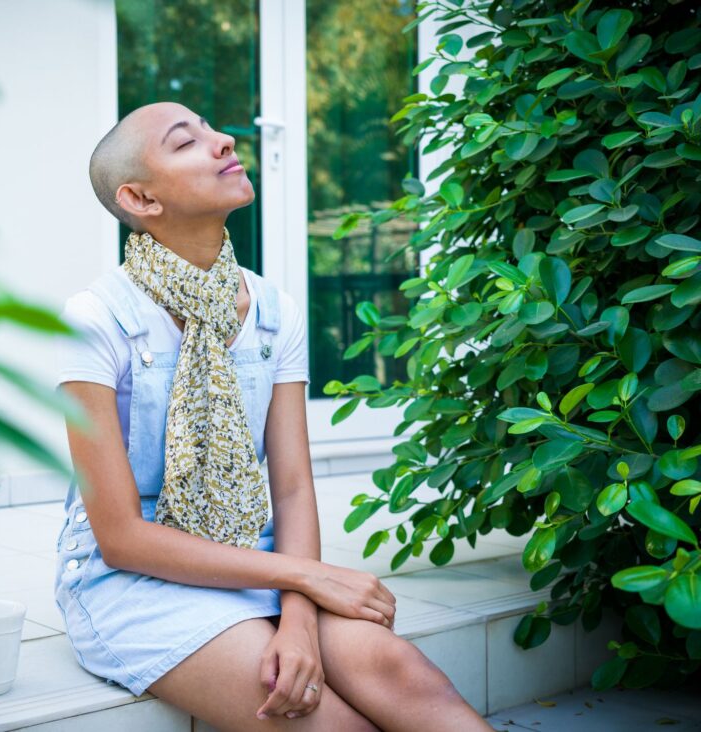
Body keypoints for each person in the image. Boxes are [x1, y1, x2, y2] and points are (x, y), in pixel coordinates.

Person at [52, 101, 493, 731]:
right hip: (129, 579)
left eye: (212, 129)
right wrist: (308, 578)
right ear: (141, 199)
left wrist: (300, 617)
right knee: (329, 723)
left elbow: (290, 488)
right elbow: (120, 538)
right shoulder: (96, 320)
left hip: (249, 550)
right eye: (187, 143)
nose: (225, 140)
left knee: (408, 678)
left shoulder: (271, 309)